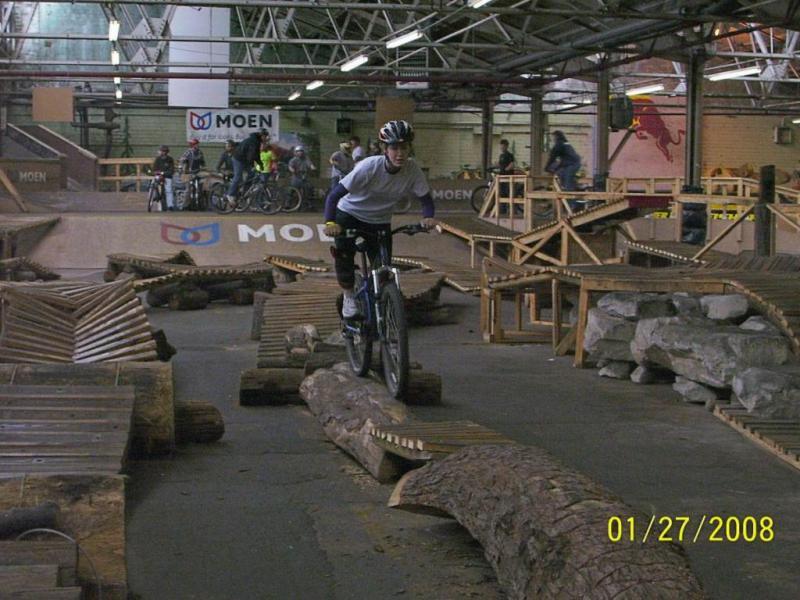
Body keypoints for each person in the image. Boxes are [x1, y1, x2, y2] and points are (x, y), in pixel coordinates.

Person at [323, 120, 436, 319]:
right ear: (384, 148)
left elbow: (426, 200)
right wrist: (331, 223)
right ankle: (349, 297)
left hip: (379, 221)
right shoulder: (368, 167)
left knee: (383, 270)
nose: (399, 153)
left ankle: (385, 310)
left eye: (404, 147)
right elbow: (334, 196)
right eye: (394, 147)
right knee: (343, 255)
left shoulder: (412, 170)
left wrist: (428, 218)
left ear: (410, 147)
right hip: (350, 214)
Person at [228, 129, 269, 205]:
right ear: (262, 136)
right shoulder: (254, 141)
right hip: (238, 159)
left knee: (251, 174)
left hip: (244, 160)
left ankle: (244, 193)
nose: (266, 138)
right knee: (238, 176)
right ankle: (230, 194)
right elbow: (251, 155)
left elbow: (256, 155)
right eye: (265, 136)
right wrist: (253, 166)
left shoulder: (257, 141)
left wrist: (260, 165)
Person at [153, 144, 176, 210]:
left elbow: (171, 170)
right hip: (158, 175)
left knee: (168, 190)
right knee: (153, 184)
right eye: (162, 151)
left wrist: (164, 173)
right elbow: (154, 168)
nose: (163, 152)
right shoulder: (157, 159)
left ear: (167, 152)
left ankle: (170, 205)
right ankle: (155, 195)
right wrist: (156, 173)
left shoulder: (170, 159)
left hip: (167, 176)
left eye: (164, 151)